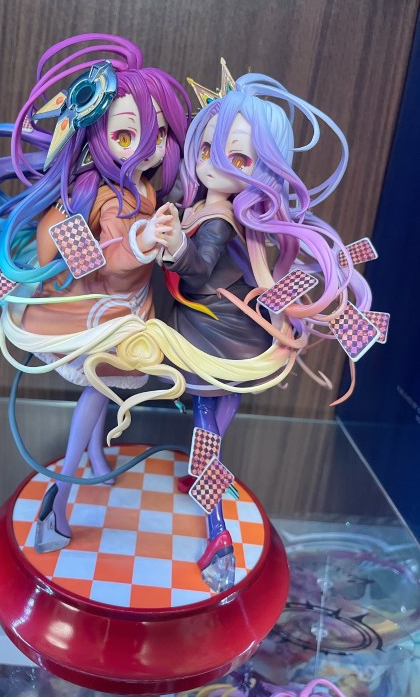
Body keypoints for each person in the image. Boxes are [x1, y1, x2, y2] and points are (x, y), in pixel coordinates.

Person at [0, 34, 190, 552]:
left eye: (160, 132)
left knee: (102, 386)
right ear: (98, 135)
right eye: (126, 135)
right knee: (99, 387)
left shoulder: (140, 189)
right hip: (99, 311)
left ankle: (95, 460)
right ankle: (60, 494)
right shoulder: (109, 196)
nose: (147, 146)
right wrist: (147, 238)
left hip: (121, 309)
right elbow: (115, 257)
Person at [155, 68, 373, 590]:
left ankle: (217, 531)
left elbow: (199, 269)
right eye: (206, 150)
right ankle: (206, 476)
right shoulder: (214, 208)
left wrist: (175, 246)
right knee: (212, 418)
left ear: (266, 169)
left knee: (205, 421)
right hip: (224, 327)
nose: (214, 164)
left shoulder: (219, 218)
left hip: (214, 336)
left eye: (238, 159)